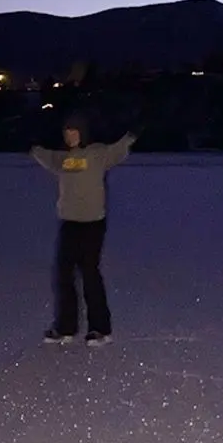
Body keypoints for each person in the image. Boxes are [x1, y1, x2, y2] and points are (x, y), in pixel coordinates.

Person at [30, 111, 139, 348]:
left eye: (74, 131)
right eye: (66, 132)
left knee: (89, 274)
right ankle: (66, 327)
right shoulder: (63, 159)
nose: (70, 136)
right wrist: (32, 148)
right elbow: (45, 156)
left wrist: (131, 135)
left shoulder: (97, 153)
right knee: (63, 275)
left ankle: (100, 329)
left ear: (83, 133)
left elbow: (118, 150)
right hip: (69, 223)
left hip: (92, 224)